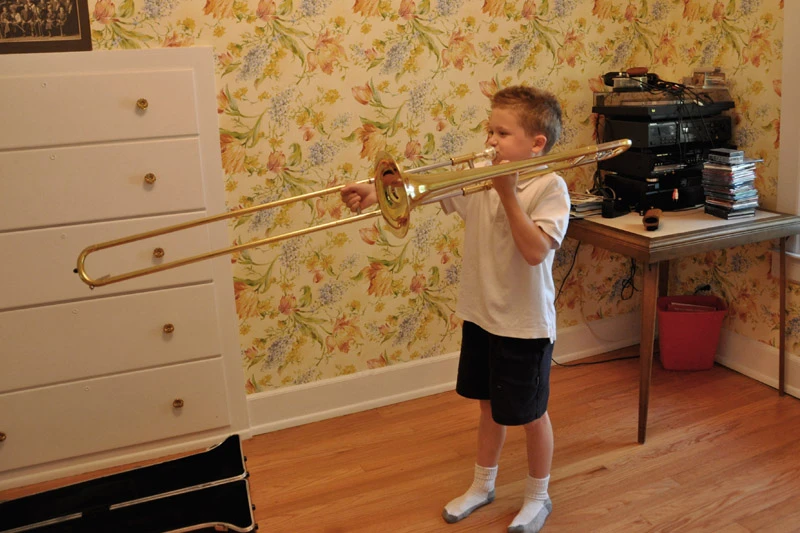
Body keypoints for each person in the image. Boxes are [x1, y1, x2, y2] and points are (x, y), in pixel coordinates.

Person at [341, 85, 570, 533]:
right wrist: (377, 192)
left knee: (530, 414)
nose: (489, 141)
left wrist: (507, 193)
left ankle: (538, 497)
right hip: (481, 315)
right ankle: (483, 485)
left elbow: (534, 251)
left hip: (524, 325)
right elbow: (424, 191)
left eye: (502, 133)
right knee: (487, 407)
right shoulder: (482, 173)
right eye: (490, 129)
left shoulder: (550, 187)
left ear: (536, 143)